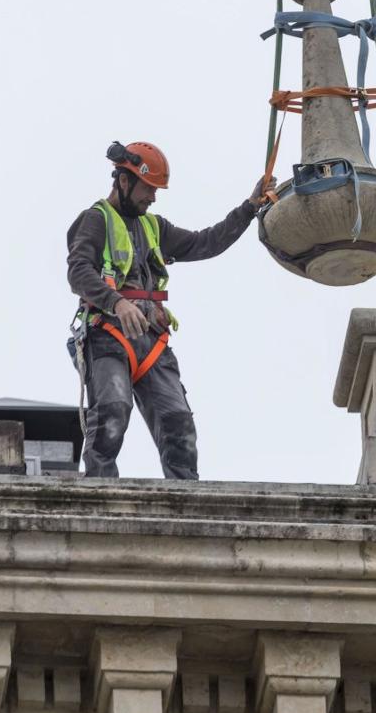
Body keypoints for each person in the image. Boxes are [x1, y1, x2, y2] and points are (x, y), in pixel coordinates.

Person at [66, 140, 274, 479]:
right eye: (148, 189)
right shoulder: (95, 220)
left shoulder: (154, 227)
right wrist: (116, 302)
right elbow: (78, 271)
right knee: (112, 412)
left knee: (178, 423)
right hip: (107, 335)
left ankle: (186, 504)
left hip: (151, 341)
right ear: (124, 181)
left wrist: (249, 207)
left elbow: (206, 242)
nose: (153, 197)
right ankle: (100, 496)